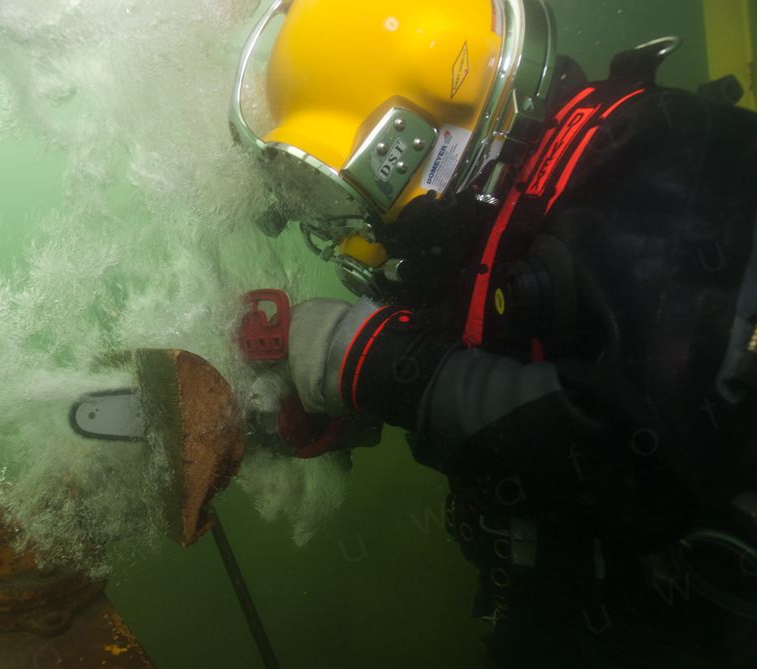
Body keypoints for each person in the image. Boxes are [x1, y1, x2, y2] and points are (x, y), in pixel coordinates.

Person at [230, 1, 757, 667]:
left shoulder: (659, 165)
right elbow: (497, 358)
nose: (346, 231)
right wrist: (347, 404)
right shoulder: (489, 206)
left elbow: (648, 461)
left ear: (412, 145)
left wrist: (372, 363)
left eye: (347, 189)